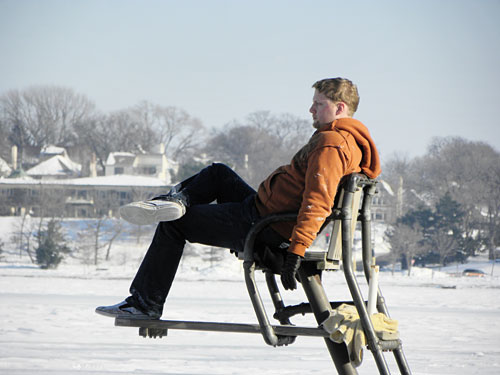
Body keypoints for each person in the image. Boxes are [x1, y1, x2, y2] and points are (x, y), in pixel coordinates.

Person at [96, 77, 381, 320]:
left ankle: (145, 304)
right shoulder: (349, 142)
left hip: (265, 228)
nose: (311, 109)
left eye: (319, 104)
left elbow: (317, 201)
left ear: (339, 108)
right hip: (262, 213)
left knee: (174, 226)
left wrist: (295, 252)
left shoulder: (331, 144)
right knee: (219, 173)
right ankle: (173, 201)